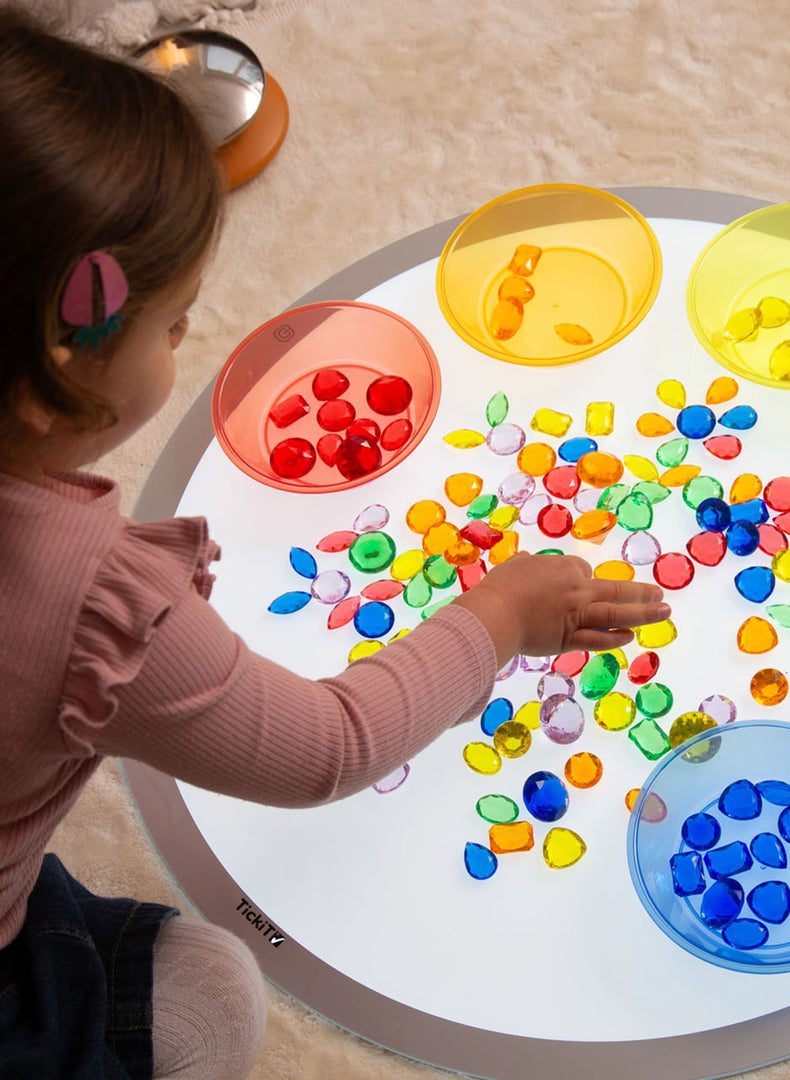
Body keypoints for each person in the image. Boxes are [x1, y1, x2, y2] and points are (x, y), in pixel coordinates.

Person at [0, 10, 671, 1080]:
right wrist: (501, 615)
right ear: (61, 365)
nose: (186, 344)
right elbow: (325, 748)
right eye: (173, 326)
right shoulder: (91, 604)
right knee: (211, 999)